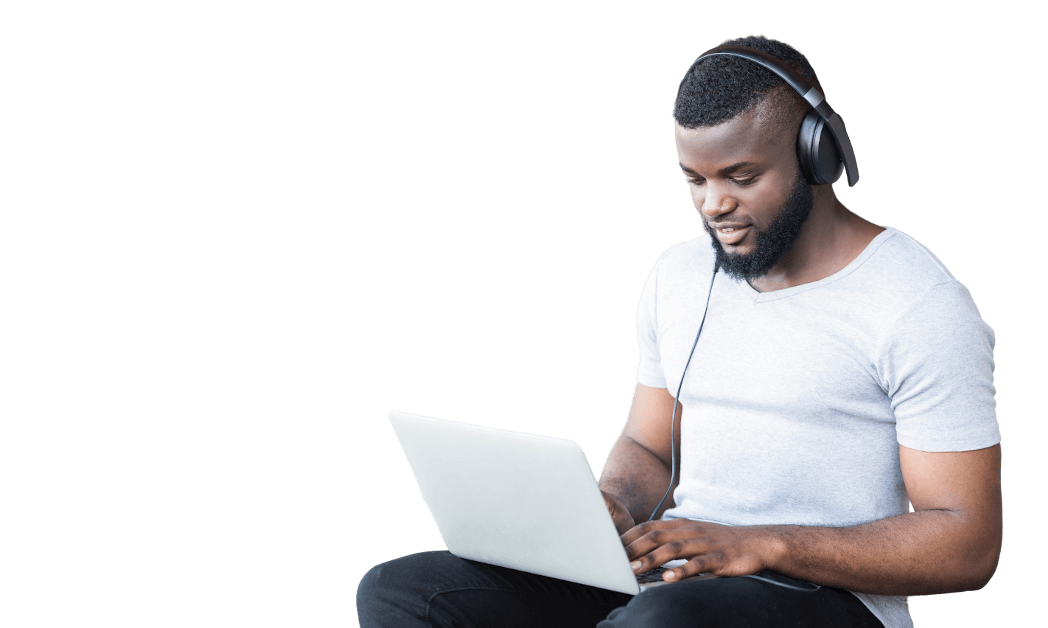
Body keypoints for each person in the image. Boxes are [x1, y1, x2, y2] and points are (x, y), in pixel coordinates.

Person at [357, 34, 1001, 628]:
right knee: (406, 592)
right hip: (675, 571)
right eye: (694, 179)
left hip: (823, 596)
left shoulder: (918, 304)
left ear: (817, 155)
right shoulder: (678, 274)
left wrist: (758, 543)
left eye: (741, 177)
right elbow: (649, 444)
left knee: (659, 623)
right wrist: (609, 504)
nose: (712, 204)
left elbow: (966, 543)